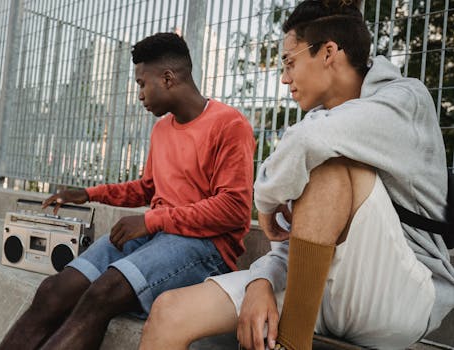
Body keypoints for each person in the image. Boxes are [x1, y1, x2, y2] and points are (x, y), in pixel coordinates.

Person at [139, 1, 454, 349]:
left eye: (289, 61)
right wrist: (260, 280)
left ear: (329, 52)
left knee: (333, 166)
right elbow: (296, 239)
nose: (285, 77)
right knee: (170, 312)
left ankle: (292, 343)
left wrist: (265, 202)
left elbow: (311, 143)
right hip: (321, 285)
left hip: (401, 296)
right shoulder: (319, 124)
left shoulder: (405, 99)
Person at [0, 32, 255, 350]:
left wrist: (151, 221)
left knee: (102, 293)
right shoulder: (162, 129)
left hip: (206, 249)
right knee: (54, 290)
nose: (140, 95)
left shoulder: (229, 125)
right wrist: (88, 193)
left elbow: (233, 209)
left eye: (141, 84)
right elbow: (148, 188)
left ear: (168, 78)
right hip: (157, 237)